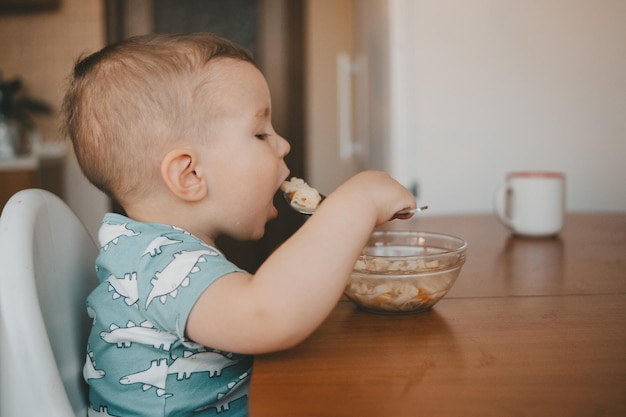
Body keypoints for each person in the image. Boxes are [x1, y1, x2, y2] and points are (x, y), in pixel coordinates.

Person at [62, 32, 416, 416]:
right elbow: (267, 314)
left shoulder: (154, 250)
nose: (283, 145)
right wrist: (355, 202)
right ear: (190, 173)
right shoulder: (160, 263)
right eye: (261, 133)